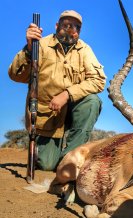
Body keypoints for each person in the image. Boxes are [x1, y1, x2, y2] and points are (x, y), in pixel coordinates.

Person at [8, 10, 106, 171]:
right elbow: (15, 75)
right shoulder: (40, 45)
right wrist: (28, 48)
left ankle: (71, 158)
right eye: (67, 25)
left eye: (76, 27)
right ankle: (55, 157)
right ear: (56, 26)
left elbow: (98, 80)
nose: (71, 29)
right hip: (47, 117)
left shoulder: (85, 50)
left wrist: (67, 94)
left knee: (92, 101)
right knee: (47, 165)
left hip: (72, 110)